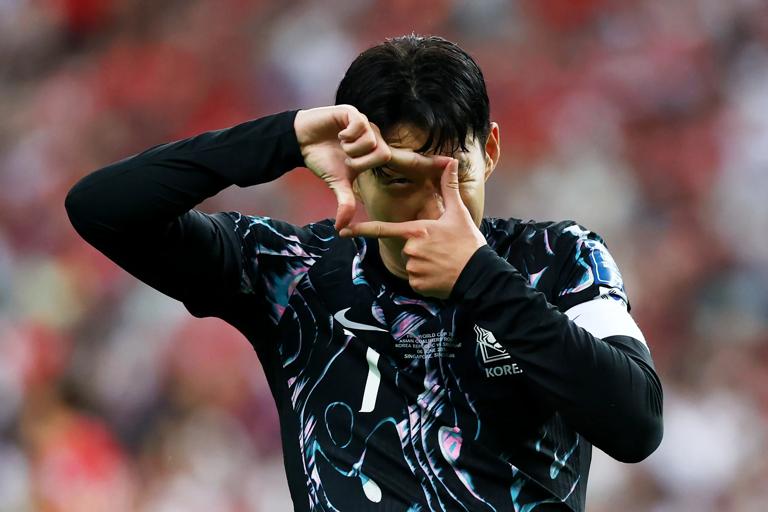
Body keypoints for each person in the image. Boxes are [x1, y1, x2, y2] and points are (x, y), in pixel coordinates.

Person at [65, 35, 663, 511]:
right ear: (353, 169)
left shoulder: (557, 258)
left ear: (492, 151)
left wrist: (480, 278)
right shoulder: (291, 274)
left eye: (454, 174)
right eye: (399, 178)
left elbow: (636, 425)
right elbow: (102, 207)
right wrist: (282, 138)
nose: (433, 208)